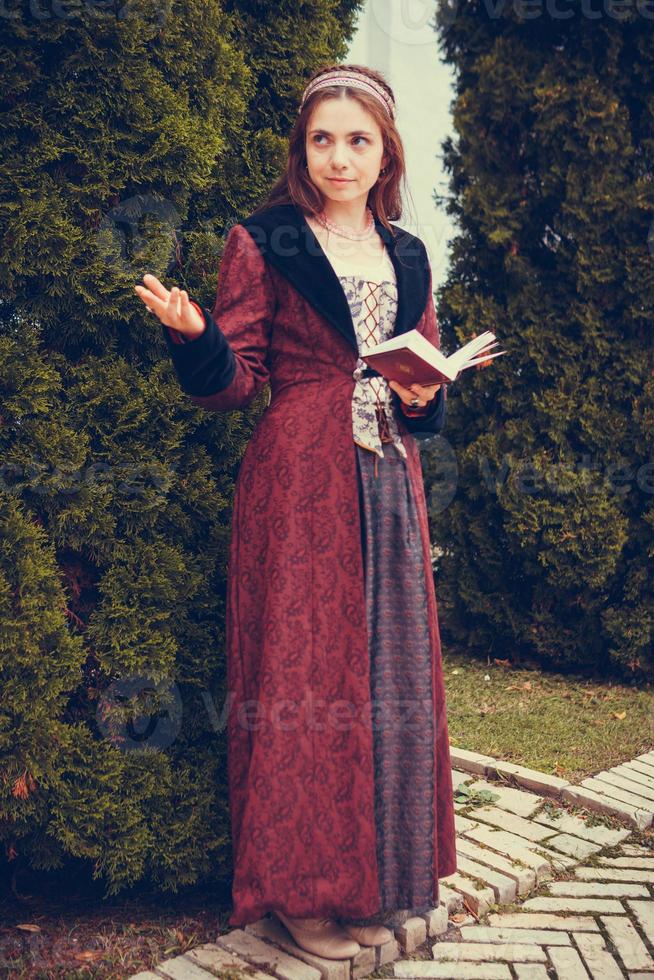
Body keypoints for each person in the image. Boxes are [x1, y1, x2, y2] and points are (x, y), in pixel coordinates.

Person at [135, 63, 457, 961]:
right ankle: (299, 891)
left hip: (389, 480)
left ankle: (372, 882)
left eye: (358, 140)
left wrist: (429, 395)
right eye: (323, 139)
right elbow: (236, 384)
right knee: (304, 676)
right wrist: (197, 338)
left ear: (385, 148)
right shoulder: (265, 241)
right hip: (300, 478)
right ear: (301, 148)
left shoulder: (409, 254)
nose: (339, 157)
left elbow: (423, 372)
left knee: (386, 672)